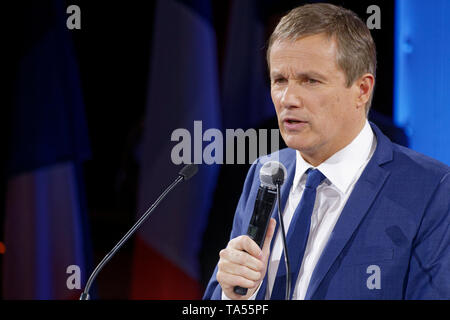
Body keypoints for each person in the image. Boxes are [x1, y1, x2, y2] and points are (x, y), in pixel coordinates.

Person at [203, 3, 450, 300]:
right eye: (279, 80)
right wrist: (234, 298)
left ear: (361, 90)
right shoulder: (265, 173)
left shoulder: (431, 188)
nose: (288, 98)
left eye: (310, 81)